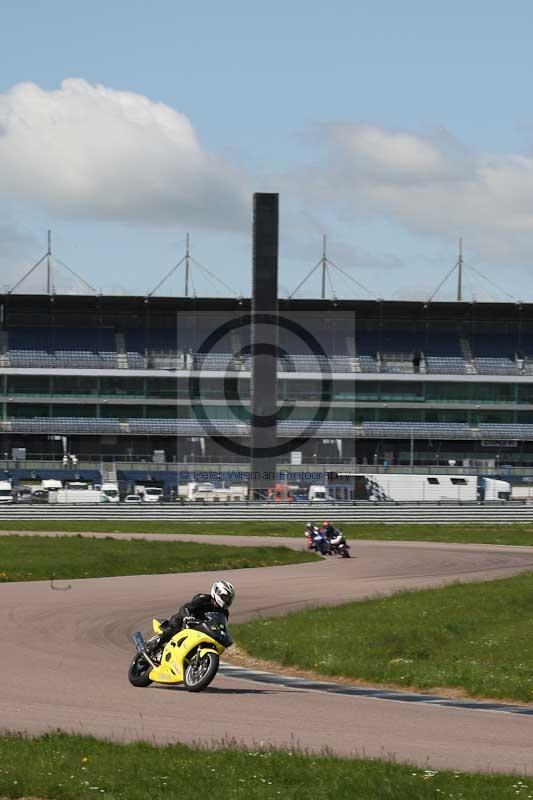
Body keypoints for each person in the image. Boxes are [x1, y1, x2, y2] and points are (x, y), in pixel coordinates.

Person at [146, 580, 235, 655]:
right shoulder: (203, 599)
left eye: (229, 599)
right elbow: (186, 607)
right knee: (173, 629)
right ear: (217, 592)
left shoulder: (224, 612)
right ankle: (152, 646)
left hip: (201, 628)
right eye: (225, 597)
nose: (227, 601)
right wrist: (187, 616)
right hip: (185, 621)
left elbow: (222, 625)